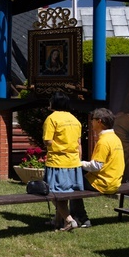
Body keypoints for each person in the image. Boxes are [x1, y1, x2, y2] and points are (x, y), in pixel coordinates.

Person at [69, 108, 125, 229]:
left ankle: (81, 218)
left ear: (99, 121)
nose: (91, 123)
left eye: (93, 120)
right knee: (77, 181)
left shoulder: (103, 141)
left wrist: (78, 163)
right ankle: (74, 216)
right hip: (115, 182)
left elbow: (96, 166)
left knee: (73, 184)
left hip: (103, 183)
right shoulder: (115, 138)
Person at [42, 91, 83, 231]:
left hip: (57, 162)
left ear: (54, 103)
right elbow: (78, 143)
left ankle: (69, 220)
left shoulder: (51, 119)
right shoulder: (75, 119)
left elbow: (48, 141)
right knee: (64, 194)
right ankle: (57, 221)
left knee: (53, 194)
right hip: (73, 163)